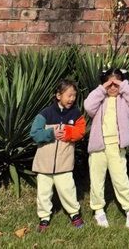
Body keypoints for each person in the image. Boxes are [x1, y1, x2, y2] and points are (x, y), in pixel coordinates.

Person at [84, 67, 129, 229]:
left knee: (120, 178)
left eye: (115, 84)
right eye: (108, 84)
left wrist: (121, 84)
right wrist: (101, 89)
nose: (112, 87)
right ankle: (98, 210)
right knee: (96, 180)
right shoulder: (100, 100)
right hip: (98, 146)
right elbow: (88, 105)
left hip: (116, 147)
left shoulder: (126, 101)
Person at [30, 79, 86, 232]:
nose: (72, 99)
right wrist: (51, 134)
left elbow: (81, 131)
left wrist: (68, 133)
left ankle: (74, 214)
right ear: (58, 95)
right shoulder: (45, 114)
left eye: (74, 95)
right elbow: (34, 134)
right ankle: (44, 217)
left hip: (64, 163)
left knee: (67, 190)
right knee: (43, 192)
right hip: (44, 163)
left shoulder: (76, 114)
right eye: (69, 95)